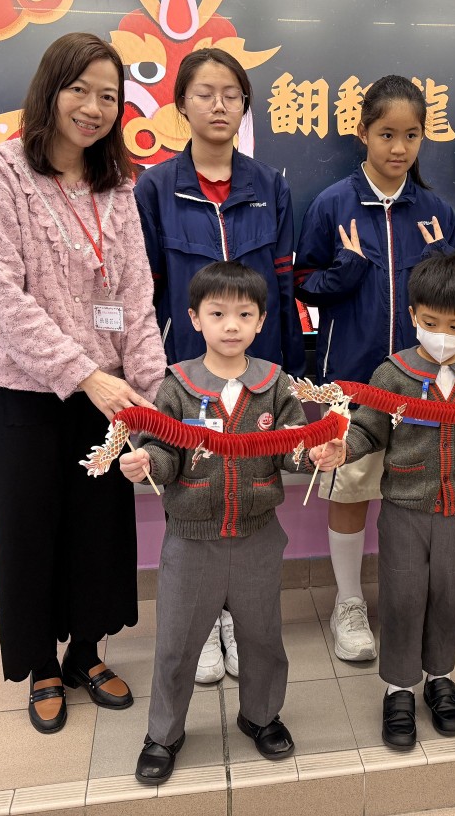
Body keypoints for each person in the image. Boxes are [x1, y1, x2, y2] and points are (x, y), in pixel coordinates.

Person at [0, 32, 167, 734]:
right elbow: (1, 296)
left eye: (109, 95)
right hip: (22, 395)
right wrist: (85, 376)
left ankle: (86, 653)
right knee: (30, 531)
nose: (93, 107)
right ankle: (41, 665)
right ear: (50, 89)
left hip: (108, 397)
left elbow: (135, 300)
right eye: (80, 89)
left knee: (99, 532)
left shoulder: (117, 185)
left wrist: (152, 397)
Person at [119, 262, 335, 785]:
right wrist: (147, 464)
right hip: (191, 543)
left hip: (258, 536)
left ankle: (261, 716)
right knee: (177, 643)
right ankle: (163, 733)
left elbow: (291, 450)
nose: (231, 325)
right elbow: (164, 451)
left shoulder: (274, 384)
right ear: (195, 318)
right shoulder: (177, 385)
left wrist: (315, 455)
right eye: (217, 314)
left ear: (261, 321)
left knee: (263, 638)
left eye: (244, 314)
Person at [134, 48, 305, 685]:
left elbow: (282, 286)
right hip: (187, 371)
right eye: (205, 93)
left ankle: (234, 617)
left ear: (245, 105)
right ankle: (202, 620)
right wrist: (153, 370)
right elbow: (145, 292)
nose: (219, 105)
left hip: (255, 374)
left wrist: (285, 369)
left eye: (232, 94)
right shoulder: (155, 187)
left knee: (251, 485)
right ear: (182, 104)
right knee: (191, 487)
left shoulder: (269, 186)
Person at [293, 75, 455, 663]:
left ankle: (404, 600)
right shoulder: (332, 204)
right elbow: (302, 283)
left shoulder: (435, 211)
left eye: (411, 135)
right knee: (351, 487)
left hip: (421, 382)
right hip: (352, 379)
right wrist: (345, 272)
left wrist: (440, 269)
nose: (399, 147)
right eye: (387, 133)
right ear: (362, 132)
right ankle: (348, 601)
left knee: (413, 493)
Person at [329, 254, 455, 750]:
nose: (442, 334)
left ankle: (440, 677)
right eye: (431, 322)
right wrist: (343, 448)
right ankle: (399, 687)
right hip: (405, 508)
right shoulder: (393, 374)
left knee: (447, 595)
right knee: (403, 597)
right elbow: (367, 429)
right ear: (412, 316)